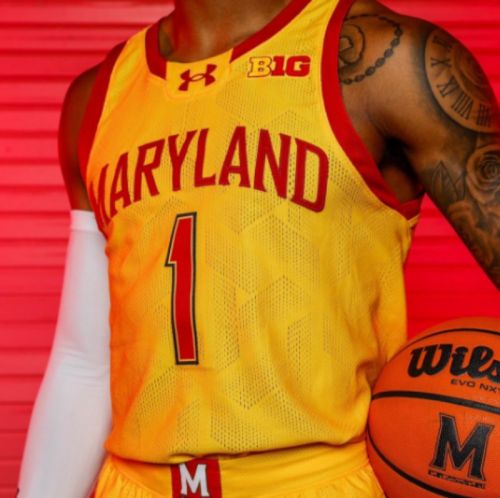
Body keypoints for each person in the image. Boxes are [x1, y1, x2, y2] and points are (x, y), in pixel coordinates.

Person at [17, 0, 500, 496]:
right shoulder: (99, 96)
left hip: (312, 482)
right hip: (134, 483)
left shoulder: (381, 61)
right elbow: (85, 361)